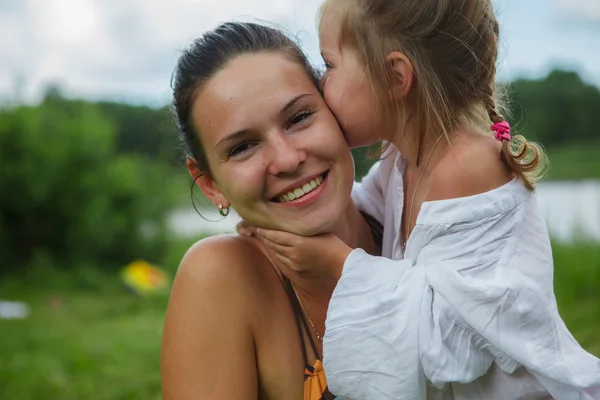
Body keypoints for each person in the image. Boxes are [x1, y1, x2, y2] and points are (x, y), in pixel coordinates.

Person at [251, 0, 600, 399]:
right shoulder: (403, 160)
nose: (320, 84)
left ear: (395, 76)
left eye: (329, 65)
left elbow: (457, 335)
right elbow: (361, 209)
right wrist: (284, 216)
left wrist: (340, 265)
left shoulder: (466, 167)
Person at [160, 21, 378, 400]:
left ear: (335, 109)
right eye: (243, 147)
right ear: (210, 183)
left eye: (299, 118)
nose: (287, 159)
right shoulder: (223, 276)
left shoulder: (420, 220)